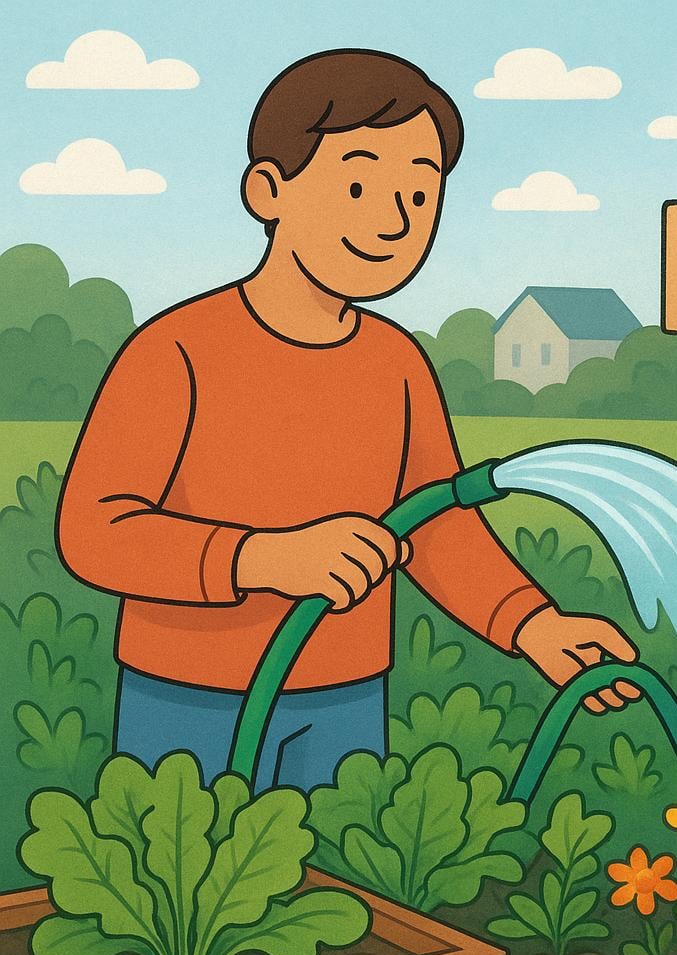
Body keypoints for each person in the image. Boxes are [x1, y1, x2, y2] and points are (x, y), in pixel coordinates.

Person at [57, 49, 641, 792]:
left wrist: (532, 624)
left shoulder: (396, 363)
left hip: (346, 695)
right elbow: (94, 532)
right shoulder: (176, 352)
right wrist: (261, 560)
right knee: (184, 894)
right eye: (359, 184)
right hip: (187, 694)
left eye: (421, 195)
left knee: (337, 894)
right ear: (268, 191)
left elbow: (435, 524)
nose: (395, 219)